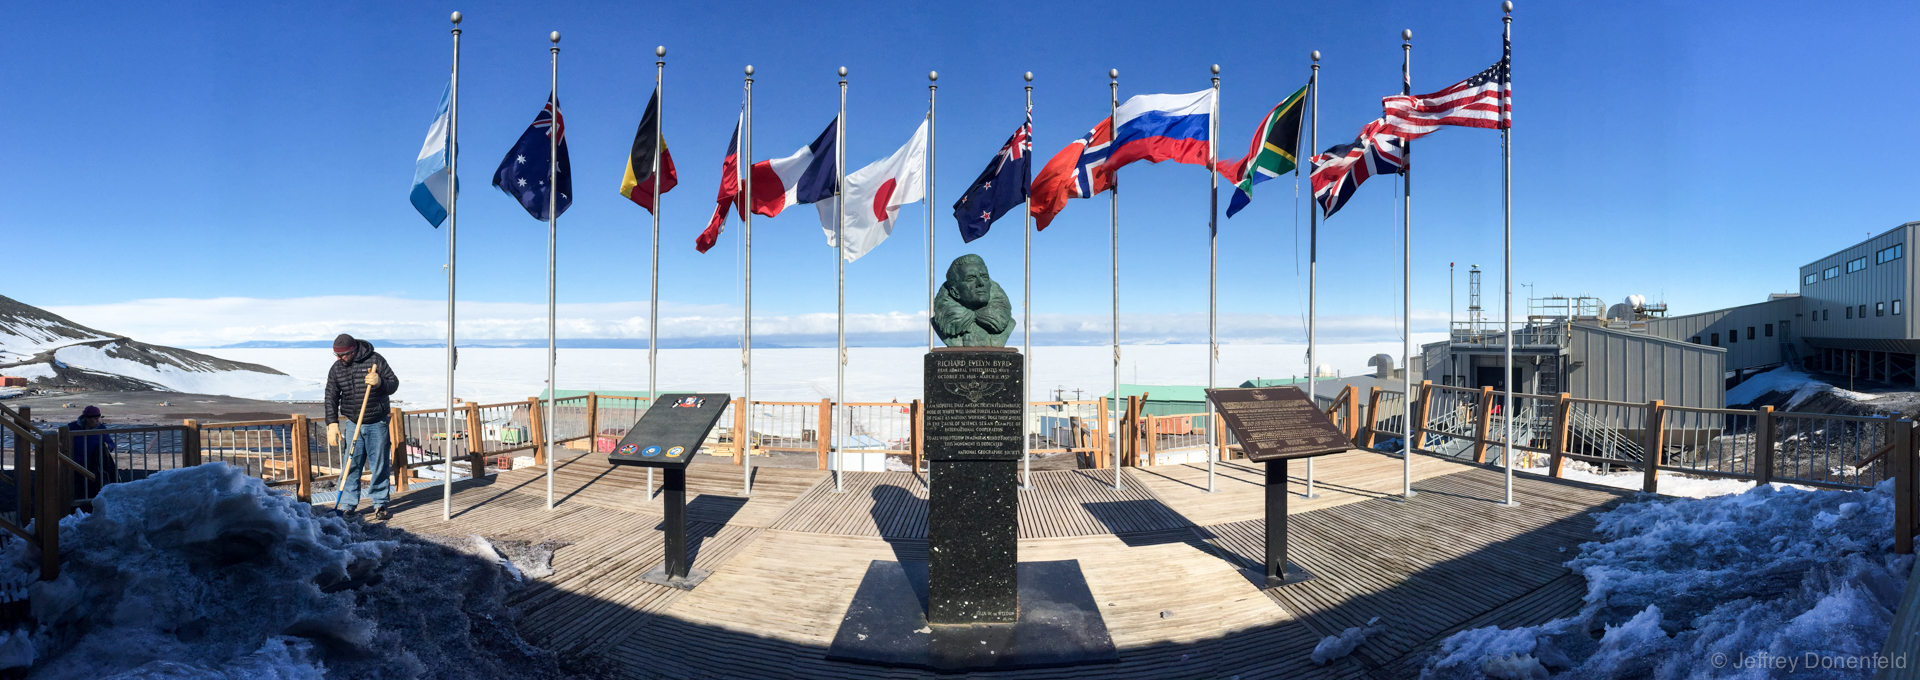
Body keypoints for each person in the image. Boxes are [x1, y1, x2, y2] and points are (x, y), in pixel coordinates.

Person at [325, 333, 400, 520]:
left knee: (379, 464)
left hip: (377, 422)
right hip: (353, 422)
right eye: (336, 355)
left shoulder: (376, 360)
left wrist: (380, 383)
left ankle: (380, 503)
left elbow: (393, 384)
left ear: (353, 350)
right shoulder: (336, 368)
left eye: (342, 355)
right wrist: (332, 423)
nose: (339, 359)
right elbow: (331, 396)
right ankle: (348, 504)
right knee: (351, 464)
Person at [67, 405, 118, 499]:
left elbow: (111, 443)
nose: (97, 421)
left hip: (95, 466)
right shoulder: (71, 428)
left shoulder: (101, 429)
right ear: (86, 419)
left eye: (98, 418)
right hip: (75, 464)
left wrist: (107, 447)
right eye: (95, 419)